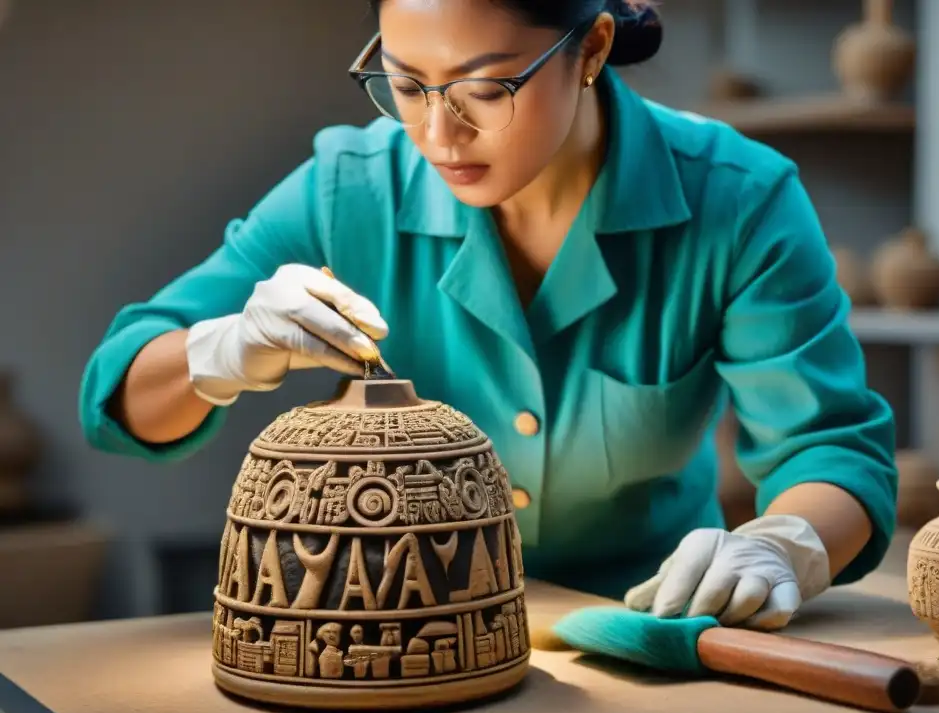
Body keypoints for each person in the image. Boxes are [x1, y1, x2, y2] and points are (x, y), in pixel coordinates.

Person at [78, 0, 897, 632]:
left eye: (485, 88)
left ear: (594, 49)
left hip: (647, 628)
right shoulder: (349, 188)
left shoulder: (737, 199)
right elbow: (117, 397)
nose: (439, 132)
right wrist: (224, 350)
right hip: (401, 635)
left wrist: (780, 543)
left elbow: (832, 450)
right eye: (404, 85)